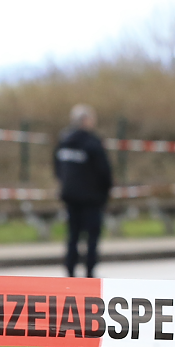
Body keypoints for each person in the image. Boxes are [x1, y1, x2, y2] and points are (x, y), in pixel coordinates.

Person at [54, 104, 113, 278]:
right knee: (92, 236)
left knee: (73, 235)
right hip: (91, 198)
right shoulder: (92, 142)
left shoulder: (64, 141)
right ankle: (89, 271)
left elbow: (57, 168)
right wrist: (105, 193)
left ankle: (70, 269)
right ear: (86, 120)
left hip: (70, 197)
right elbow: (104, 171)